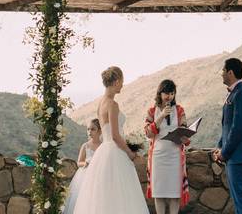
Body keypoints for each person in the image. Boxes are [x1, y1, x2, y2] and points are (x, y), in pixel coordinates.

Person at [72, 66, 149, 214]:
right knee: (121, 193)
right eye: (122, 82)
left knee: (105, 195)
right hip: (115, 151)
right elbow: (114, 135)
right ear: (116, 81)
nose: (122, 85)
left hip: (104, 152)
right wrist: (130, 154)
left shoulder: (101, 103)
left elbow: (106, 134)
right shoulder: (112, 104)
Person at [212, 57, 242, 214]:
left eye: (223, 71)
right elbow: (227, 127)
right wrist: (219, 148)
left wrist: (224, 153)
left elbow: (238, 129)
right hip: (234, 156)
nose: (221, 74)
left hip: (239, 156)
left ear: (230, 72)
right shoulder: (235, 94)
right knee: (239, 201)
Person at [144, 79, 191, 214]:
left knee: (174, 194)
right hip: (158, 157)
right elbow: (148, 133)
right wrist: (162, 116)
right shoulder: (152, 111)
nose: (169, 97)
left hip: (175, 156)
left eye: (172, 93)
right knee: (159, 193)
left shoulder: (180, 110)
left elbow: (184, 128)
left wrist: (184, 137)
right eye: (166, 93)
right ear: (160, 94)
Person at [62, 119, 102, 214]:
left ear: (99, 131)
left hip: (99, 175)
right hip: (85, 176)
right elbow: (78, 162)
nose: (89, 132)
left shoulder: (103, 146)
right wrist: (85, 164)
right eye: (88, 129)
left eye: (93, 129)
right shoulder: (85, 146)